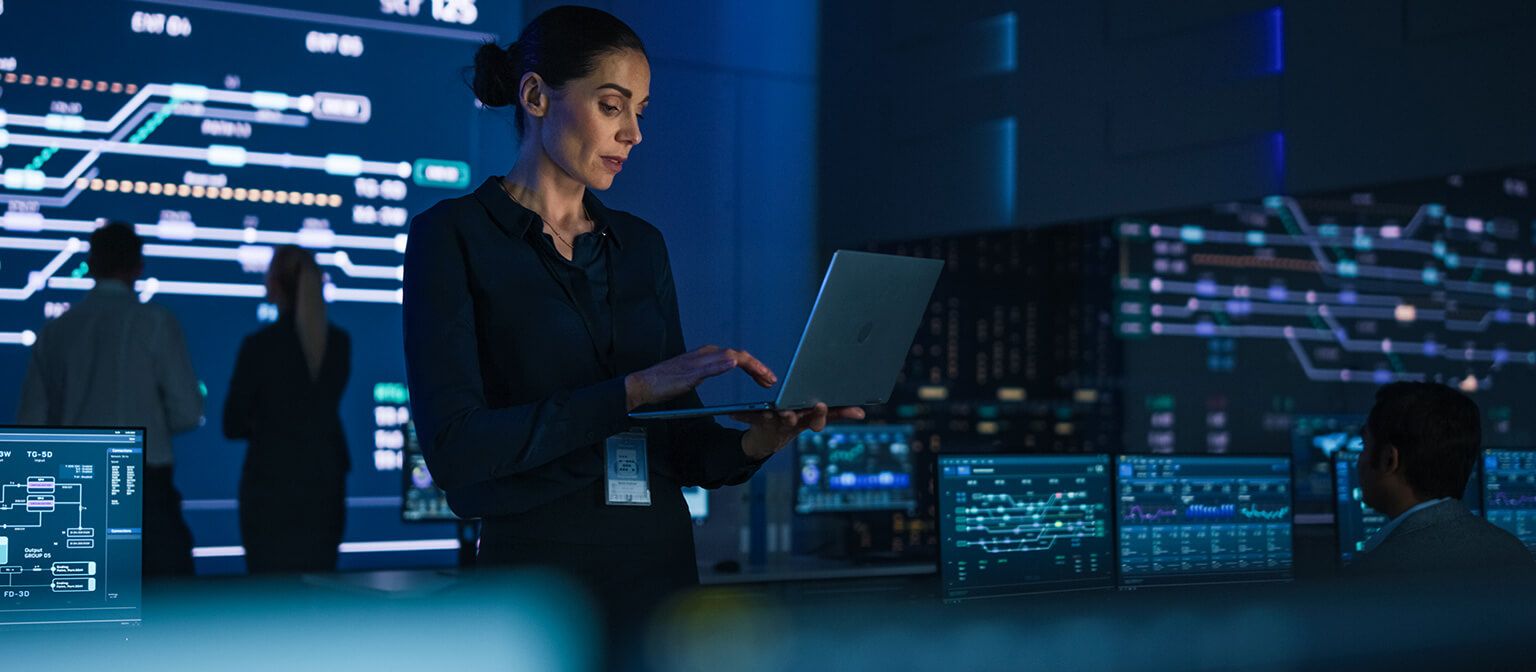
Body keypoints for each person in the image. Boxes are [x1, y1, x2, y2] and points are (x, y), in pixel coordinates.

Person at [402, 4, 862, 651]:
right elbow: (456, 449)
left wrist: (760, 440)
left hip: (662, 571)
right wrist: (632, 392)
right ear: (536, 95)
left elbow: (683, 449)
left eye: (640, 112)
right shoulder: (452, 238)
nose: (634, 134)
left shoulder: (641, 246)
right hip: (538, 583)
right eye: (613, 106)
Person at [18, 221, 202, 576]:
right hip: (144, 485)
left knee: (82, 603)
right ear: (138, 266)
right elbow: (188, 411)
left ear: (91, 263)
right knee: (168, 604)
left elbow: (32, 424)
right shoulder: (155, 322)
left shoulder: (56, 331)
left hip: (74, 487)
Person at [223, 246, 351, 573]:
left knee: (269, 601)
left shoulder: (260, 346)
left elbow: (232, 423)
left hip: (270, 493)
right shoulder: (338, 344)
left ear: (275, 285)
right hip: (324, 490)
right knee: (319, 599)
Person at [1349, 382, 1535, 577]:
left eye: (1364, 445)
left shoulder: (1371, 575)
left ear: (1389, 460)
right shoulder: (1515, 554)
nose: (1359, 461)